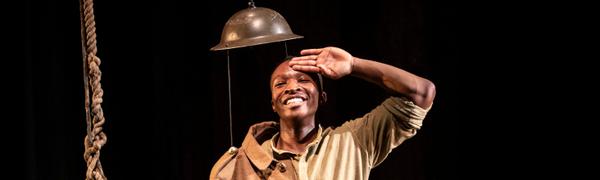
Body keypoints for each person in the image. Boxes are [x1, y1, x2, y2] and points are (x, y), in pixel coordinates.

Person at [210, 46, 436, 180]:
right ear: (273, 103)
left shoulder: (353, 141)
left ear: (322, 97)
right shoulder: (244, 162)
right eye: (280, 84)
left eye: (303, 80)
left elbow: (421, 93)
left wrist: (354, 65)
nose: (292, 87)